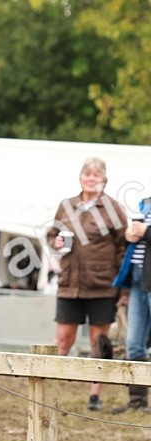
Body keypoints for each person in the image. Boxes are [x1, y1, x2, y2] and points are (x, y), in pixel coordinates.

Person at [46, 157, 127, 411]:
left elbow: (124, 247)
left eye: (96, 175)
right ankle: (51, 389)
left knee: (98, 341)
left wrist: (123, 289)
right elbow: (52, 234)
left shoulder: (112, 209)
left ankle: (95, 394)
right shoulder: (67, 206)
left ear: (104, 180)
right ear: (81, 178)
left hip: (103, 285)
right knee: (62, 339)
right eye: (87, 174)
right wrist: (55, 242)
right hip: (70, 283)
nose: (91, 179)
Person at [111, 196, 151, 414]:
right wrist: (129, 237)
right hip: (137, 281)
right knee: (134, 343)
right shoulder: (144, 205)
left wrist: (146, 232)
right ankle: (137, 400)